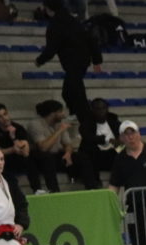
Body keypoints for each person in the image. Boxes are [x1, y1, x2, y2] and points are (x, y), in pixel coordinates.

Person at [34, 0, 102, 148]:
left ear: (48, 9)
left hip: (73, 62)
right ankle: (77, 116)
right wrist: (97, 59)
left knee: (75, 94)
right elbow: (90, 38)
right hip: (82, 60)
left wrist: (40, 60)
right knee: (72, 91)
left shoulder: (55, 25)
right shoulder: (73, 20)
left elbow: (51, 48)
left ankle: (85, 123)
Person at [28, 99, 99, 192]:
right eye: (60, 111)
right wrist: (59, 131)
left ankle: (92, 188)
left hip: (56, 155)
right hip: (40, 158)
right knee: (47, 158)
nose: (64, 114)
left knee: (82, 157)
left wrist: (68, 153)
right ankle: (54, 191)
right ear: (53, 113)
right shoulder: (35, 124)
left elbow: (68, 144)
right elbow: (43, 148)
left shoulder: (59, 124)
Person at [0, 103, 43, 194]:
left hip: (17, 158)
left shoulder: (18, 128)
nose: (5, 118)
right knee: (1, 162)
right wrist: (12, 149)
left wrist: (13, 137)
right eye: (0, 117)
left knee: (30, 159)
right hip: (2, 160)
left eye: (5, 114)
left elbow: (25, 152)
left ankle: (37, 189)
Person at [82, 97, 120, 182]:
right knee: (87, 155)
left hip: (112, 153)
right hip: (95, 154)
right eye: (98, 109)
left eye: (103, 108)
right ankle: (94, 184)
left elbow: (122, 139)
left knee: (125, 151)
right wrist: (108, 140)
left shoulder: (114, 121)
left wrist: (119, 144)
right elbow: (89, 138)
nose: (101, 111)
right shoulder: (86, 123)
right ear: (92, 110)